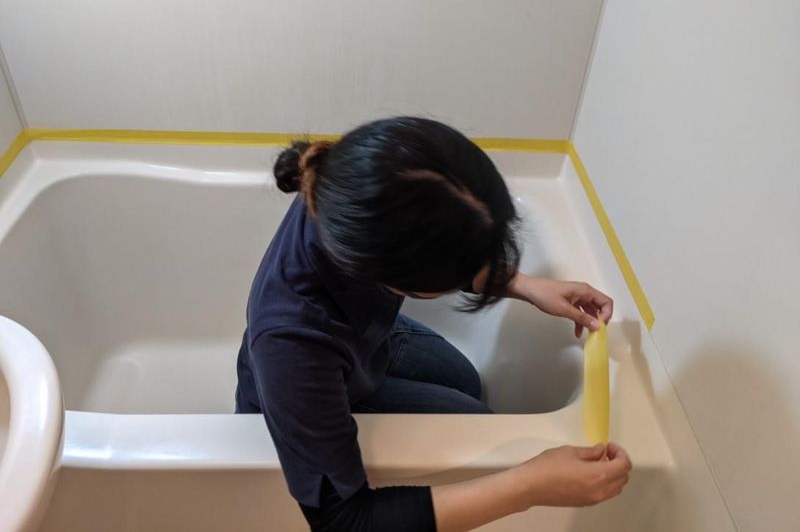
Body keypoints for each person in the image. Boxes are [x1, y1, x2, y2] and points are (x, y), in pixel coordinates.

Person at [235, 117, 631, 532]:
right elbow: (343, 522)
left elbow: (448, 228)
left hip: (364, 342)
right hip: (313, 393)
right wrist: (530, 486)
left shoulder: (351, 182)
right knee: (477, 419)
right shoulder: (292, 345)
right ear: (390, 276)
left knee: (468, 382)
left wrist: (526, 286)